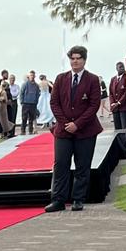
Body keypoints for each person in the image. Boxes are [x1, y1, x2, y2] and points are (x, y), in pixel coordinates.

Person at [45, 45, 102, 213]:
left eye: (78, 58)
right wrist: (64, 123)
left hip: (85, 130)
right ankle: (58, 199)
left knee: (82, 165)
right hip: (63, 130)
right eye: (72, 58)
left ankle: (78, 199)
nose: (75, 61)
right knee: (60, 165)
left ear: (84, 60)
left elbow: (94, 105)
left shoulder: (92, 80)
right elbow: (54, 103)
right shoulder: (61, 79)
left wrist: (77, 124)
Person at [109, 61, 126, 129]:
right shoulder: (113, 79)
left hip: (124, 107)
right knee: (117, 129)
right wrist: (112, 103)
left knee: (125, 128)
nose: (122, 68)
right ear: (116, 69)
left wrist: (119, 103)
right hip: (115, 108)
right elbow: (110, 92)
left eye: (123, 67)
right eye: (120, 67)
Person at [19, 70, 40, 135]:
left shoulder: (36, 85)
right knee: (24, 118)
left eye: (33, 76)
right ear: (29, 76)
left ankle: (30, 131)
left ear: (35, 76)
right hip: (25, 103)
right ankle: (23, 131)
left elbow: (38, 94)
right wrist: (21, 102)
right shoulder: (25, 84)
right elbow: (21, 93)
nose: (32, 77)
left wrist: (36, 101)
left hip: (33, 104)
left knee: (31, 118)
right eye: (31, 75)